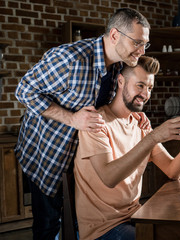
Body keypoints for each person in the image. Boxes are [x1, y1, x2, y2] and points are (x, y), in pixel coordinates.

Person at [14, 8, 151, 240]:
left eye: (145, 44)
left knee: (76, 227)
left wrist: (132, 113)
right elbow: (24, 91)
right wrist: (72, 118)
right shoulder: (70, 59)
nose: (142, 50)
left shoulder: (119, 65)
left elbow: (108, 107)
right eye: (137, 42)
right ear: (115, 35)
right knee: (48, 226)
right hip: (46, 154)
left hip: (80, 158)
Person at [74, 56, 180, 240]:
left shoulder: (140, 122)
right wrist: (153, 137)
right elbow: (109, 178)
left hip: (136, 216)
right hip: (103, 228)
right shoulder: (96, 123)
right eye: (140, 86)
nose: (146, 95)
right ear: (121, 81)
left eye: (150, 88)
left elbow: (172, 171)